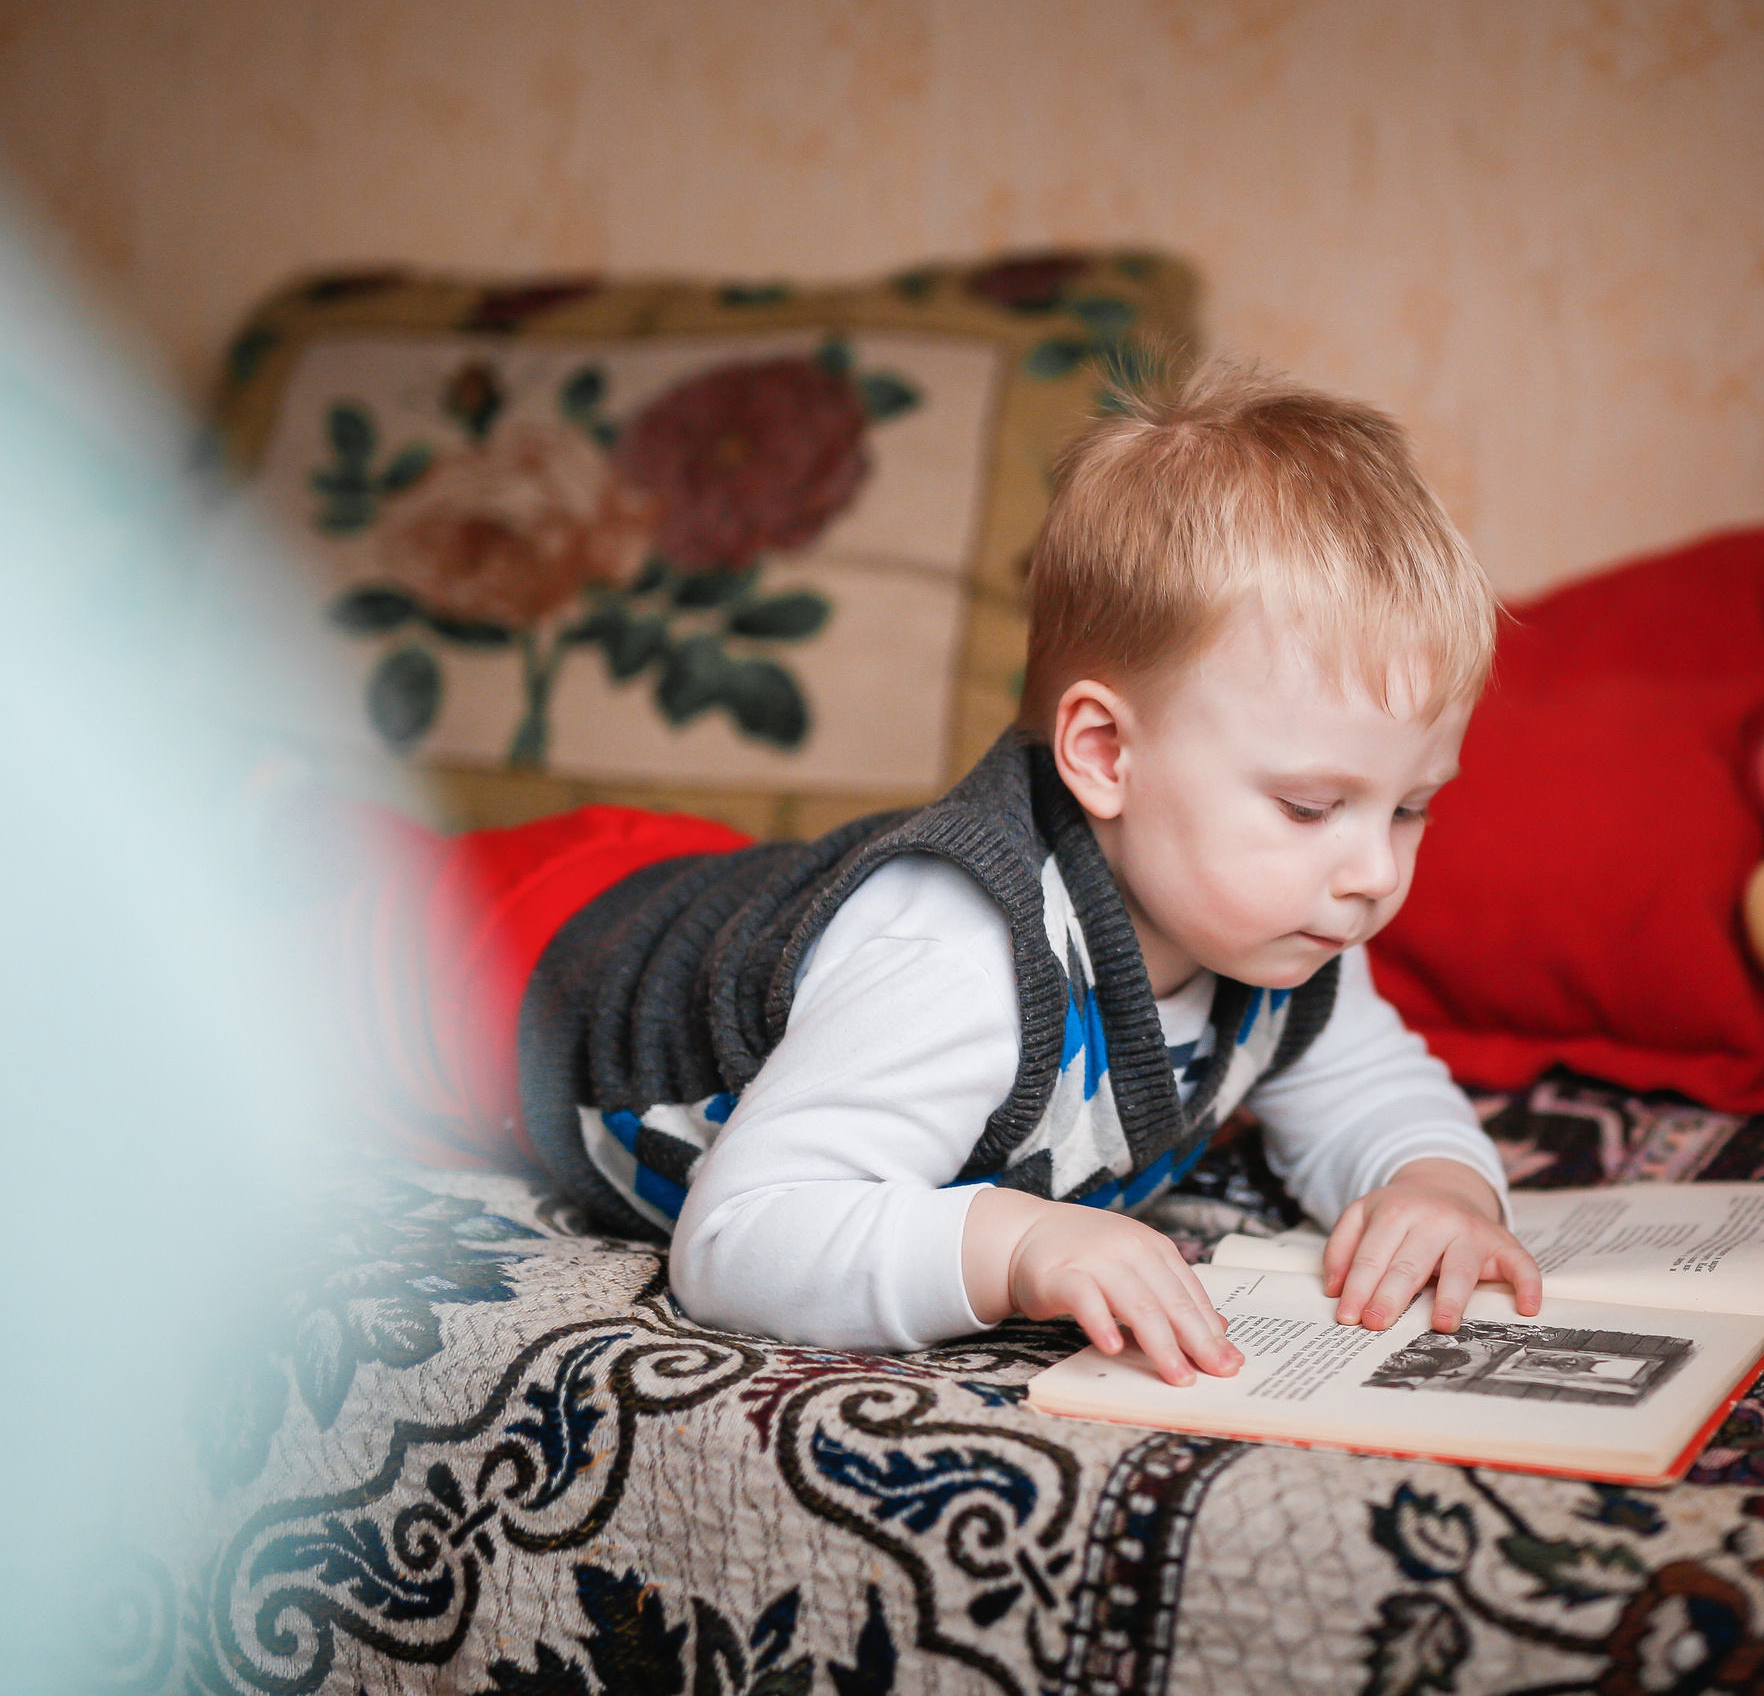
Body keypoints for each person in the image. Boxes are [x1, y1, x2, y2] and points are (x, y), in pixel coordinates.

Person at [365, 365, 1542, 1387]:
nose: (1373, 871)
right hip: (509, 953)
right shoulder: (960, 961)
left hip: (727, 892)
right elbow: (737, 1237)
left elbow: (1369, 1092)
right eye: (1308, 806)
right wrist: (1018, 1248)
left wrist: (1435, 1186)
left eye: (1412, 808)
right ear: (1104, 755)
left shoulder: (1290, 927)